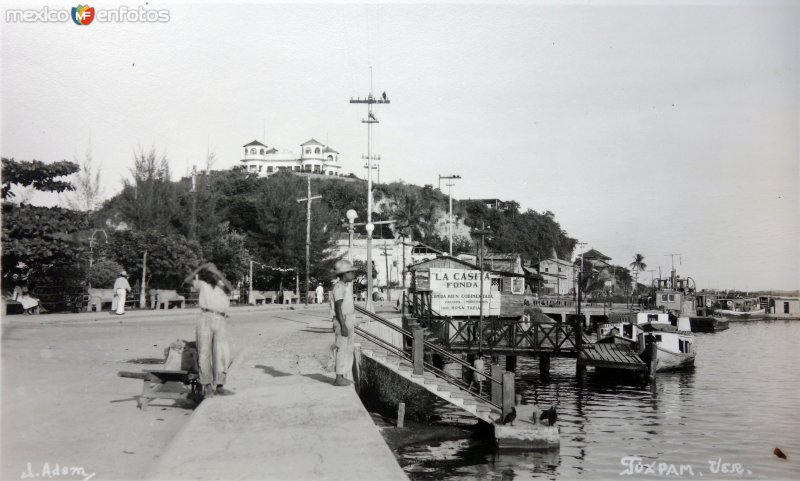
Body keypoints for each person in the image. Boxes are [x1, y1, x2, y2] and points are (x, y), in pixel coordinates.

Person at [184, 263, 235, 398]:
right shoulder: (202, 285)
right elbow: (187, 281)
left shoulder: (223, 285)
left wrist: (217, 272)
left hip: (220, 318)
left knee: (221, 353)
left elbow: (231, 288)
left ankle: (220, 386)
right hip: (205, 317)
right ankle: (207, 386)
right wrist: (200, 268)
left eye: (214, 272)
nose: (212, 275)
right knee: (204, 352)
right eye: (209, 272)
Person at [331, 259, 358, 386]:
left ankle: (343, 375)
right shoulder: (339, 288)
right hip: (344, 320)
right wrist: (342, 325)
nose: (353, 275)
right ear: (343, 274)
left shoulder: (345, 287)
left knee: (348, 348)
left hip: (348, 319)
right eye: (350, 273)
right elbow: (338, 307)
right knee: (341, 348)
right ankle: (339, 377)